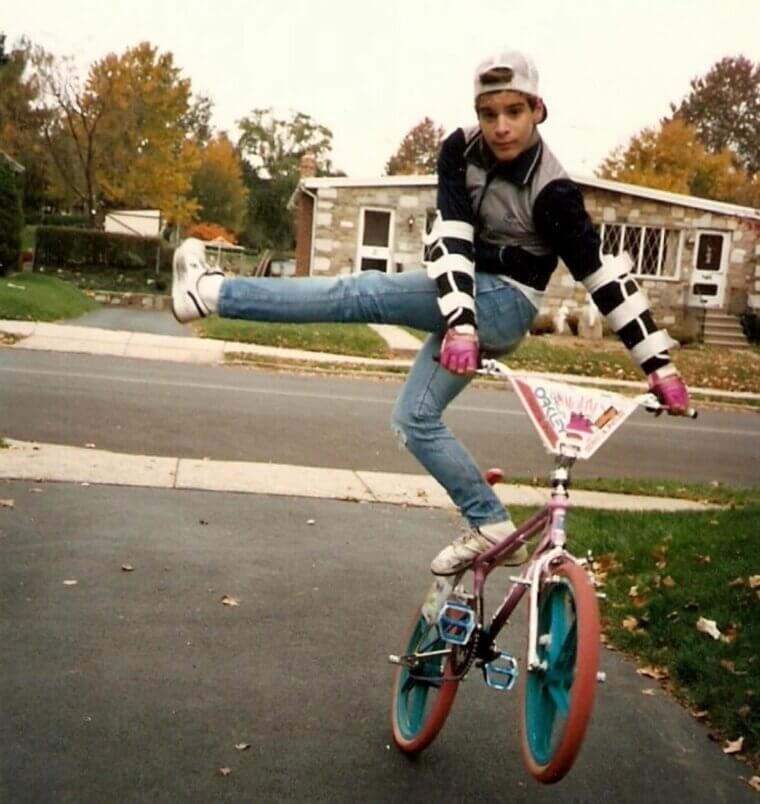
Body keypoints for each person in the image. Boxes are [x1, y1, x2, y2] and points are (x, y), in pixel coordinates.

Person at [171, 49, 690, 576]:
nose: (502, 128)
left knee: (361, 293)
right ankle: (490, 523)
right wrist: (460, 323)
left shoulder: (553, 192)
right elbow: (452, 239)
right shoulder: (459, 151)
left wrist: (660, 368)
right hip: (466, 292)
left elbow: (602, 279)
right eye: (489, 114)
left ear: (538, 110)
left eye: (515, 112)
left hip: (506, 303)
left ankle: (212, 294)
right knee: (413, 419)